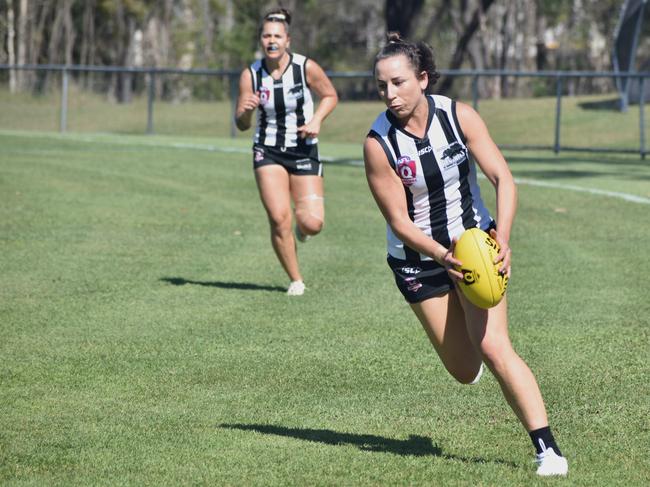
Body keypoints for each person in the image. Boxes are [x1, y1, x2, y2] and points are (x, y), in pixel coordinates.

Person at [363, 33, 568, 476]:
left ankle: (547, 450)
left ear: (423, 78)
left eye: (398, 82)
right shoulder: (378, 145)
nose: (390, 94)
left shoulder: (458, 116)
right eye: (382, 86)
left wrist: (503, 240)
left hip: (475, 245)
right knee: (463, 368)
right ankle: (465, 348)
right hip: (419, 258)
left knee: (495, 347)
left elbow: (503, 178)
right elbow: (399, 221)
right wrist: (441, 254)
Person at [235, 7, 338, 296]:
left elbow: (330, 95)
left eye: (277, 36)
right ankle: (296, 280)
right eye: (266, 36)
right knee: (280, 217)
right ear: (261, 40)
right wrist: (245, 112)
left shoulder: (305, 67)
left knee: (312, 223)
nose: (272, 41)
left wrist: (316, 120)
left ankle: (302, 231)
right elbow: (242, 124)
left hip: (303, 149)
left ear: (288, 40)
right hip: (267, 151)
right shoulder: (251, 75)